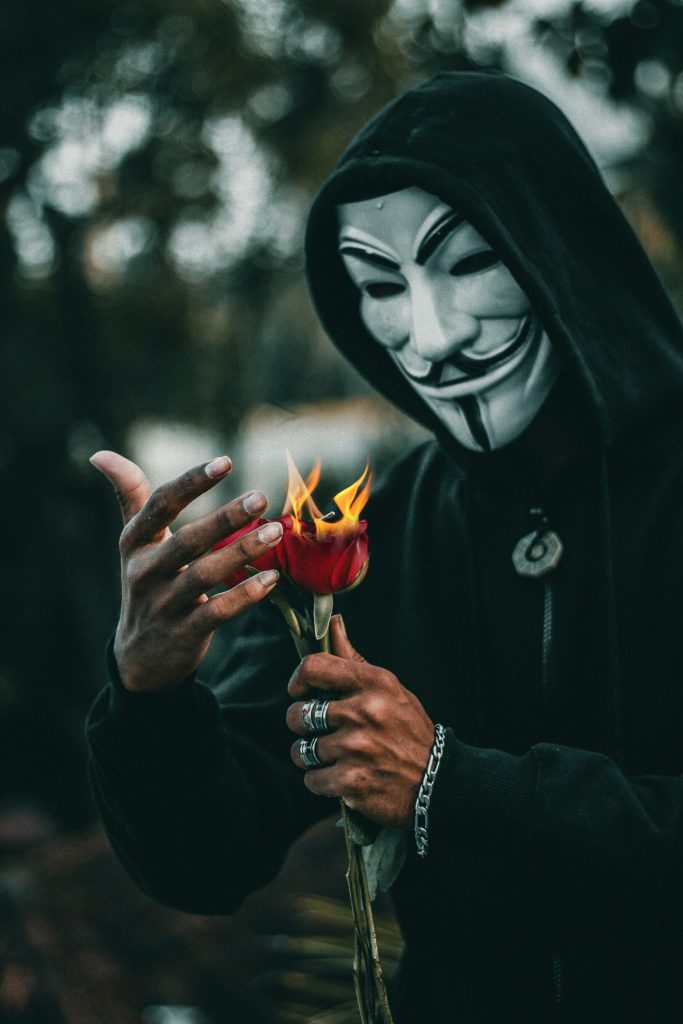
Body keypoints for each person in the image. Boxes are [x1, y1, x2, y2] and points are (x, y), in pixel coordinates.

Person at [87, 72, 683, 1022]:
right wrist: (151, 694)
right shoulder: (368, 536)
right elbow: (209, 860)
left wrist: (455, 782)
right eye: (377, 282)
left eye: (469, 261)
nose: (433, 336)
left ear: (561, 245)